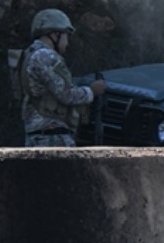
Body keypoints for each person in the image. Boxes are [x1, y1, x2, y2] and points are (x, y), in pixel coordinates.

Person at [18, 8, 105, 146]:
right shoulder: (47, 57)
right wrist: (92, 91)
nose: (67, 43)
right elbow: (66, 94)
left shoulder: (30, 54)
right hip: (52, 137)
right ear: (54, 34)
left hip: (39, 136)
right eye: (66, 36)